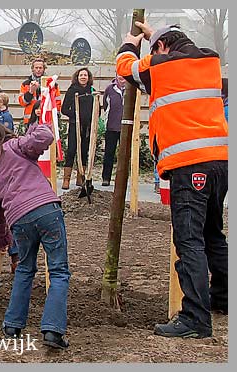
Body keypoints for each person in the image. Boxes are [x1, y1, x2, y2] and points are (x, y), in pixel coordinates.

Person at [117, 22, 228, 338]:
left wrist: (129, 43)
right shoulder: (208, 62)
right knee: (212, 234)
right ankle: (223, 298)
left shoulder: (161, 64)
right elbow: (178, 51)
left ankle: (195, 318)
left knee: (189, 239)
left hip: (189, 165)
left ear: (162, 47)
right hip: (220, 161)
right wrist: (157, 37)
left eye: (155, 49)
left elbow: (126, 68)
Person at [0, 122, 71, 349]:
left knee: (25, 269)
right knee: (58, 270)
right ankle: (52, 331)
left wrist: (0, 240)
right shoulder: (15, 146)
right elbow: (45, 135)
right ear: (2, 135)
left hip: (19, 221)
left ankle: (12, 325)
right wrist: (38, 123)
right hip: (47, 211)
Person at [60, 67, 95, 189]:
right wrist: (75, 115)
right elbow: (64, 109)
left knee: (84, 151)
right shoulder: (72, 90)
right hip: (75, 125)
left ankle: (81, 177)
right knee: (71, 150)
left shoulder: (91, 91)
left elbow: (97, 108)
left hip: (87, 127)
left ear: (88, 77)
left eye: (85, 75)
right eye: (81, 75)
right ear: (77, 77)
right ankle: (66, 179)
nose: (83, 77)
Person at [19, 59, 60, 126]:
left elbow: (57, 102)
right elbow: (22, 102)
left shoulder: (52, 84)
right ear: (32, 69)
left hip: (47, 119)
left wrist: (56, 117)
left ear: (44, 69)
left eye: (40, 68)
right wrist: (30, 92)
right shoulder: (26, 84)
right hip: (30, 120)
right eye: (36, 68)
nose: (38, 70)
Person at [101, 75, 126, 186]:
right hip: (111, 126)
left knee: (124, 155)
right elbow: (106, 106)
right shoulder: (109, 89)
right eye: (120, 75)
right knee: (109, 153)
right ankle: (106, 178)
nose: (122, 77)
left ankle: (122, 179)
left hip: (126, 127)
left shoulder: (131, 88)